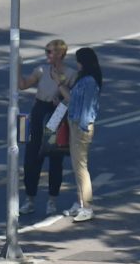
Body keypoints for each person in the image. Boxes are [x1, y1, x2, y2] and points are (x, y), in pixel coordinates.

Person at [21, 39, 73, 211]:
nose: (47, 55)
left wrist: (62, 98)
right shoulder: (41, 70)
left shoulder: (71, 74)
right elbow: (23, 85)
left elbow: (72, 99)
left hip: (57, 111)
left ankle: (52, 199)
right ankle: (30, 199)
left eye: (49, 52)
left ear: (60, 54)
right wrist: (17, 67)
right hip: (39, 109)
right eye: (46, 51)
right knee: (32, 155)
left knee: (55, 156)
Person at [57, 47, 101, 223]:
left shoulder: (89, 81)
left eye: (78, 60)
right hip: (75, 124)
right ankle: (80, 201)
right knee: (77, 167)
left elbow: (85, 106)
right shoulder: (85, 79)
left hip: (80, 127)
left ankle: (87, 207)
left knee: (81, 168)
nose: (77, 64)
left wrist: (80, 126)